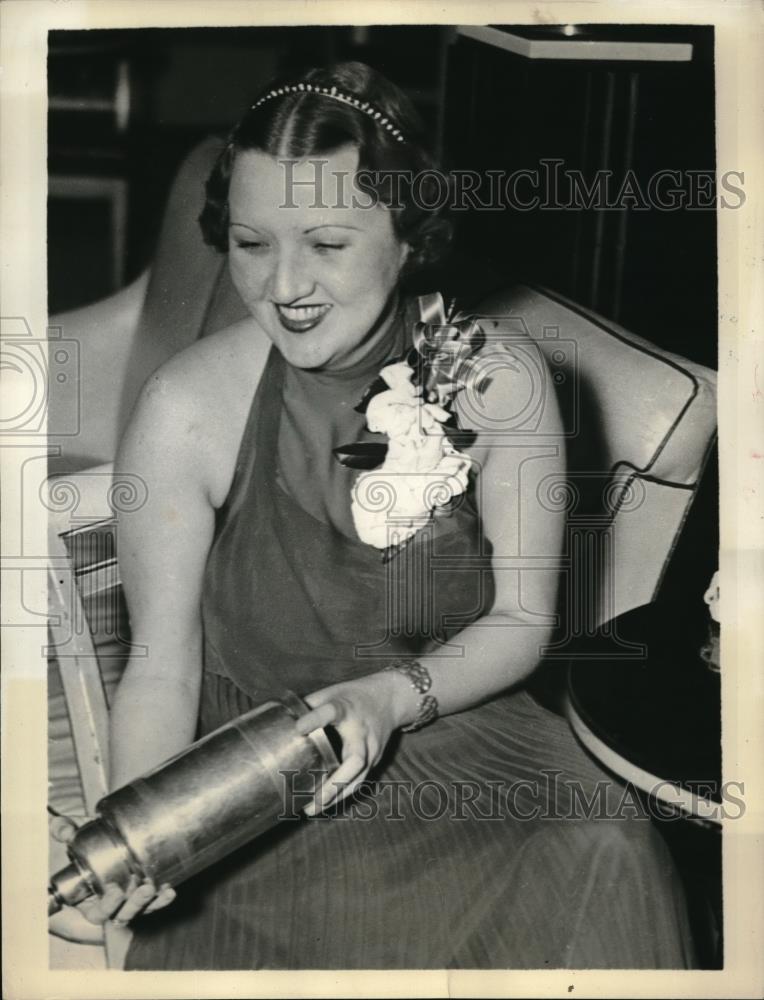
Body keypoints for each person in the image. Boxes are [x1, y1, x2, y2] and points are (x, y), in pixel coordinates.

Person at [51, 60, 695, 969]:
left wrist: (390, 700)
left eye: (327, 243)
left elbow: (521, 621)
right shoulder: (185, 407)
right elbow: (158, 667)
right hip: (261, 772)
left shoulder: (499, 381)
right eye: (250, 243)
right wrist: (144, 834)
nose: (284, 286)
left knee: (603, 849)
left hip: (455, 733)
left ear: (407, 236)